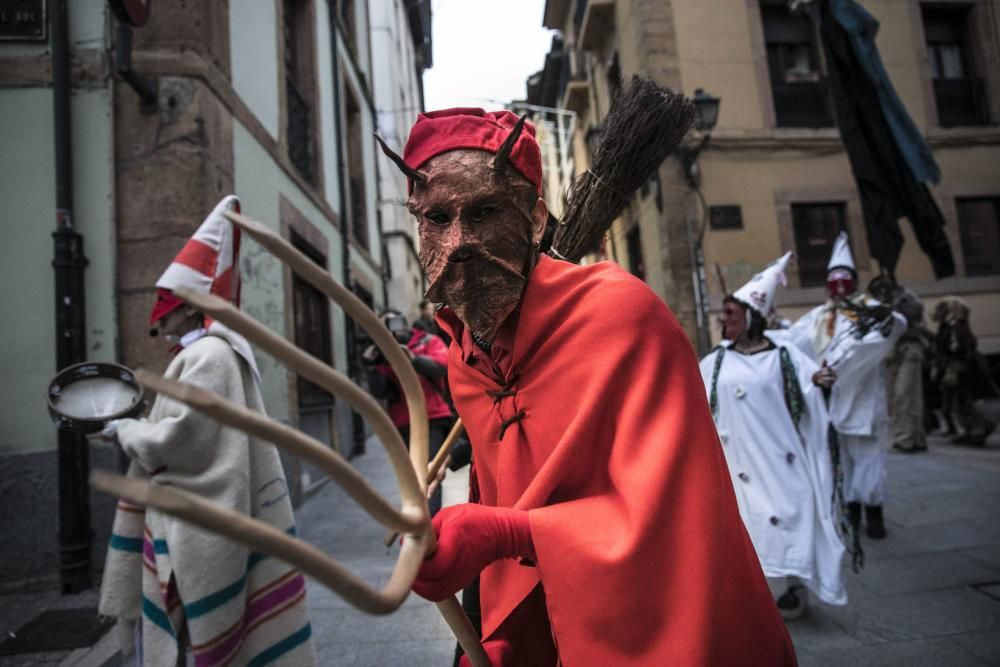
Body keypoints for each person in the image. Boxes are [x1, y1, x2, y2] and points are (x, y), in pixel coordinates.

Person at [379, 108, 795, 665]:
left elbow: (672, 522)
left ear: (534, 219)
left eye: (483, 212)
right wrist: (472, 576)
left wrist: (505, 534)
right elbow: (497, 497)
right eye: (436, 218)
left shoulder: (622, 315)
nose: (457, 242)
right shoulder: (462, 356)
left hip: (655, 629)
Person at [98, 197, 315, 666]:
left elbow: (181, 441)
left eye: (169, 306)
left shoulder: (209, 356)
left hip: (201, 523)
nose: (160, 318)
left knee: (195, 643)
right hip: (205, 514)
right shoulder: (208, 353)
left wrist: (125, 430)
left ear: (192, 309)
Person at [700, 253, 847, 620]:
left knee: (790, 516)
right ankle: (764, 595)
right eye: (724, 315)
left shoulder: (784, 354)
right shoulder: (716, 360)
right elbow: (694, 396)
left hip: (782, 460)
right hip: (739, 465)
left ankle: (792, 587)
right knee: (749, 526)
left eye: (731, 315)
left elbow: (810, 383)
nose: (723, 321)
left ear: (751, 317)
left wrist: (819, 383)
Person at [786, 232, 905, 540]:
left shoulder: (868, 309)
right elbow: (793, 340)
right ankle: (851, 510)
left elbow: (890, 330)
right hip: (834, 400)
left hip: (864, 400)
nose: (838, 288)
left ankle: (873, 512)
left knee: (869, 460)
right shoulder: (821, 315)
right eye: (833, 281)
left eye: (844, 280)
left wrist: (882, 315)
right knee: (843, 461)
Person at [364, 309, 453, 514]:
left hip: (433, 417)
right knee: (411, 479)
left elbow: (443, 365)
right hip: (403, 422)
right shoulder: (383, 352)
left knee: (429, 474)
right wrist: (371, 365)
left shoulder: (427, 341)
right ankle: (418, 521)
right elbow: (381, 391)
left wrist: (413, 358)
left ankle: (430, 527)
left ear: (405, 322)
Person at [932, 297, 996, 445]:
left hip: (961, 370)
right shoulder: (949, 327)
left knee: (962, 400)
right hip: (958, 368)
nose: (937, 313)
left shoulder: (955, 328)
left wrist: (952, 369)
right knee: (957, 402)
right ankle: (970, 429)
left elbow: (959, 351)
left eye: (940, 309)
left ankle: (981, 427)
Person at [885, 285, 931, 453]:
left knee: (905, 395)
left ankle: (907, 437)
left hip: (909, 351)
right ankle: (913, 437)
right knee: (904, 396)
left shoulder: (908, 304)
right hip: (898, 352)